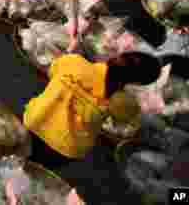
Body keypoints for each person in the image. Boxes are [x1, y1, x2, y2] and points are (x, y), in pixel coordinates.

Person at [23, 51, 160, 168]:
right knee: (31, 170)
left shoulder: (73, 61)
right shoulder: (125, 102)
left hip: (36, 120)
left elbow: (52, 72)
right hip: (65, 148)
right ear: (137, 83)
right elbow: (127, 127)